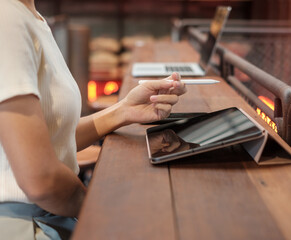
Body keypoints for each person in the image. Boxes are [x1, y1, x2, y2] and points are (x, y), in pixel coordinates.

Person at [0, 0, 187, 239]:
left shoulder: (30, 16)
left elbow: (50, 139)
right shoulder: (6, 16)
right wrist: (99, 206)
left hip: (48, 212)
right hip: (23, 224)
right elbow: (41, 181)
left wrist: (124, 110)